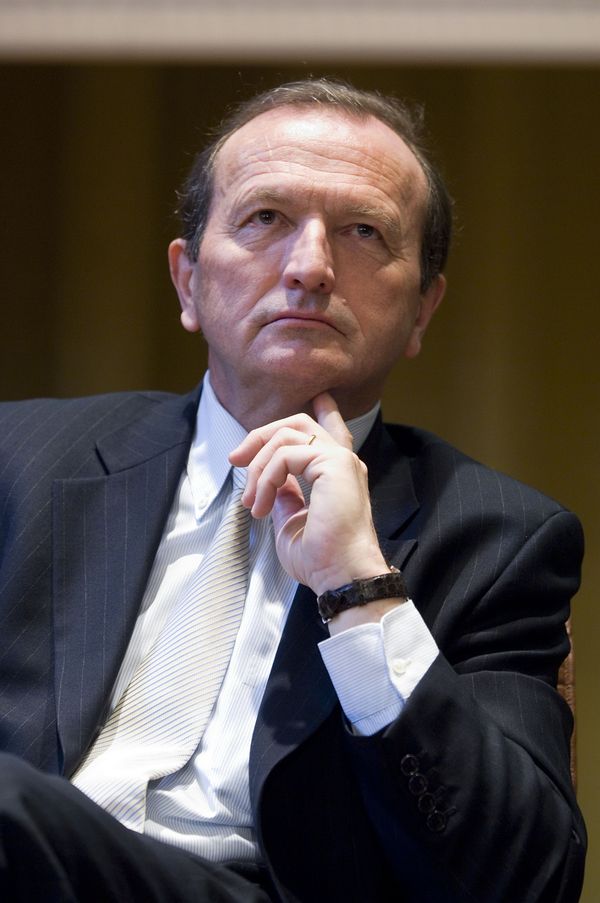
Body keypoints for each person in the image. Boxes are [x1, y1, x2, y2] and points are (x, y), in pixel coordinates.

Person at [0, 78, 586, 902]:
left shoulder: (497, 538)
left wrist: (358, 586)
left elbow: (525, 879)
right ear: (187, 281)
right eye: (266, 218)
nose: (310, 267)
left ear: (423, 309)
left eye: (363, 231)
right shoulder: (22, 462)